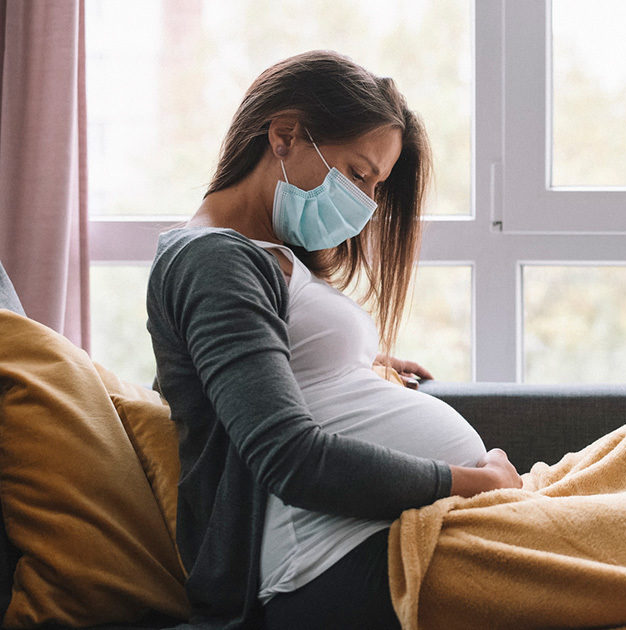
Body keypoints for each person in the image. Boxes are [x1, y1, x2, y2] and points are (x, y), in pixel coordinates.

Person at [145, 50, 521, 630]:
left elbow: (222, 376)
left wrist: (354, 360)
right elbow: (292, 459)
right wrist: (476, 483)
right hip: (328, 562)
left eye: (376, 186)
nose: (367, 207)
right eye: (357, 173)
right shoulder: (214, 260)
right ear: (285, 136)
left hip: (376, 537)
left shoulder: (264, 257)